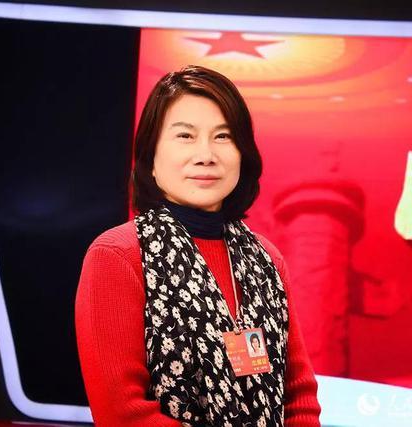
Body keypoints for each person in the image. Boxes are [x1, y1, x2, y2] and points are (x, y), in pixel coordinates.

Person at [75, 65, 321, 426]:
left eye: (223, 136)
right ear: (151, 158)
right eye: (185, 136)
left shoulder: (265, 258)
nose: (206, 154)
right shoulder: (117, 255)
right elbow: (122, 412)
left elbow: (298, 396)